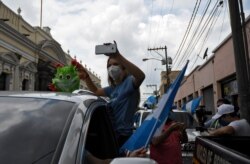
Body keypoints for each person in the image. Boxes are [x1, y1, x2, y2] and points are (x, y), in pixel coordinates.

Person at [77, 41, 145, 147]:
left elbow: (141, 76)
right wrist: (86, 77)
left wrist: (118, 55)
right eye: (109, 65)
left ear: (123, 68)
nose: (111, 68)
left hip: (123, 137)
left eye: (115, 64)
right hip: (111, 135)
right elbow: (96, 91)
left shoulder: (129, 82)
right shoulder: (112, 89)